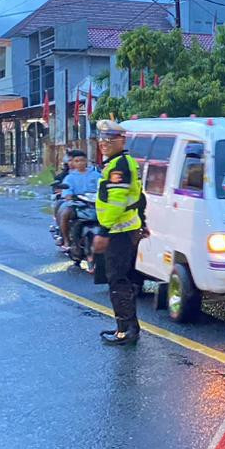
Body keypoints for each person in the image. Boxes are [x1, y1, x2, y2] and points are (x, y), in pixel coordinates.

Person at [92, 120, 145, 346]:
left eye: (110, 139)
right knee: (123, 278)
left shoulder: (119, 166)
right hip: (125, 229)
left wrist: (103, 231)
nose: (104, 143)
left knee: (117, 280)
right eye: (102, 139)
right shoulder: (121, 162)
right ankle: (128, 326)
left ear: (122, 141)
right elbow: (140, 197)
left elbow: (117, 201)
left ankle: (126, 330)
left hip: (119, 231)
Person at [55, 150, 101, 249]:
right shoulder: (69, 177)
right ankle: (66, 239)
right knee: (65, 213)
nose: (80, 163)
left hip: (95, 203)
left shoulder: (96, 175)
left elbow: (102, 186)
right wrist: (68, 195)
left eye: (82, 160)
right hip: (77, 203)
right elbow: (67, 190)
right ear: (73, 163)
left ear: (86, 161)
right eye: (77, 161)